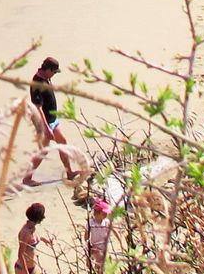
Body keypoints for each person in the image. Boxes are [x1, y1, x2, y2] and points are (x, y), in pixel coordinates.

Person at [21, 58, 74, 188]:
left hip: (52, 119)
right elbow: (38, 108)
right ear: (48, 70)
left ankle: (70, 173)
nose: (54, 74)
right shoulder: (37, 83)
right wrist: (46, 128)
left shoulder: (46, 78)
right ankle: (27, 178)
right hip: (44, 123)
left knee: (63, 143)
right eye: (54, 72)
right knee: (43, 151)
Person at [85, 176, 123, 272]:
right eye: (104, 213)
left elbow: (114, 230)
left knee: (106, 262)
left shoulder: (106, 222)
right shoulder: (91, 223)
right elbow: (86, 235)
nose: (106, 215)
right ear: (98, 213)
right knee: (97, 263)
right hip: (94, 246)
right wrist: (87, 246)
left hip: (105, 246)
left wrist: (121, 242)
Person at [15, 203, 49, 274]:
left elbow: (34, 239)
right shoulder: (26, 233)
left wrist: (44, 240)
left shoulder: (32, 227)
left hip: (33, 267)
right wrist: (26, 271)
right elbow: (20, 254)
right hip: (23, 269)